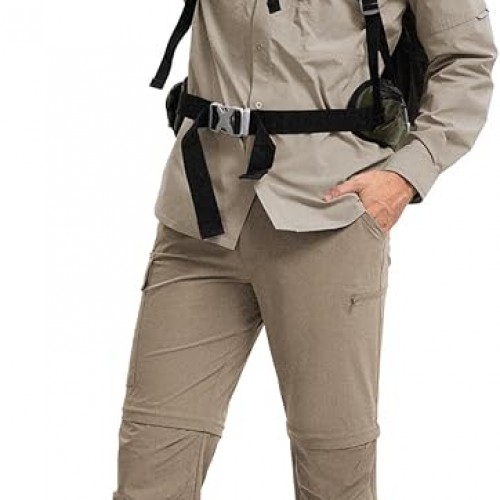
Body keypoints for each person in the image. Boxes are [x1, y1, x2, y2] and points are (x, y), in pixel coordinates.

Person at [112, 1, 496, 498]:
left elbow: (466, 59)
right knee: (150, 464)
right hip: (200, 214)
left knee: (333, 471)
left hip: (328, 220)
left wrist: (407, 174)